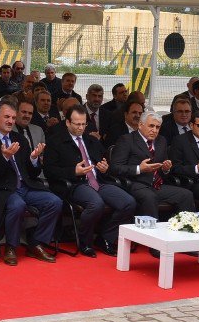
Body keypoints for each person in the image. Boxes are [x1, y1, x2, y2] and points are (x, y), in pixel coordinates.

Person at [43, 105, 134, 257]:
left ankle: (105, 237)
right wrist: (73, 171)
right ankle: (84, 241)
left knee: (128, 202)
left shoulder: (91, 140)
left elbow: (103, 163)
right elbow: (49, 171)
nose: (81, 127)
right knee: (95, 204)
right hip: (75, 184)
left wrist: (105, 168)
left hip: (99, 181)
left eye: (83, 124)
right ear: (67, 123)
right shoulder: (56, 141)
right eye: (77, 124)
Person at [0, 100, 61, 265]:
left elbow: (32, 172)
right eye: (6, 117)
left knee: (55, 202)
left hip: (27, 186)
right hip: (4, 188)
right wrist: (4, 157)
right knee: (17, 205)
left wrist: (34, 159)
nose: (10, 121)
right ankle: (11, 247)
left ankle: (36, 243)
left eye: (13, 118)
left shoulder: (19, 138)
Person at [110, 110, 195, 218]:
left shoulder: (161, 141)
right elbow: (115, 168)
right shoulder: (127, 140)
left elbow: (164, 168)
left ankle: (185, 229)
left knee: (186, 195)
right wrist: (139, 169)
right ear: (140, 125)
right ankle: (151, 232)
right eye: (151, 126)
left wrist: (165, 169)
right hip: (135, 184)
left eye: (157, 127)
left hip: (157, 185)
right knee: (150, 197)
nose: (154, 130)